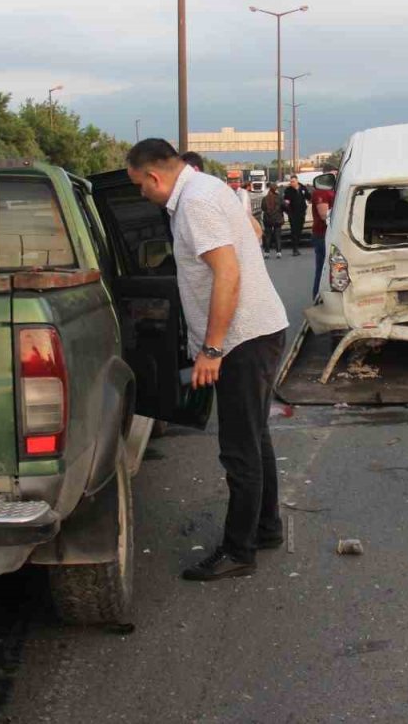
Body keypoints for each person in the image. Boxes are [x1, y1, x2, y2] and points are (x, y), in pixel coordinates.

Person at [125, 139, 289, 580]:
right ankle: (266, 527)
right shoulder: (205, 191)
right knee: (255, 437)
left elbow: (228, 273)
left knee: (239, 448)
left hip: (242, 340)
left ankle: (239, 551)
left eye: (139, 186)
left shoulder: (196, 202)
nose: (141, 195)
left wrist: (212, 349)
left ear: (155, 176)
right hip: (257, 332)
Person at [310, 168, 337, 298]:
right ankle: (317, 296)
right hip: (322, 234)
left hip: (330, 233)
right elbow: (323, 215)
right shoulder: (321, 192)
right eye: (332, 175)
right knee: (322, 268)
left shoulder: (332, 191)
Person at [282, 175, 309, 255]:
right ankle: (295, 249)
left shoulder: (303, 188)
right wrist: (288, 210)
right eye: (291, 182)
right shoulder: (288, 190)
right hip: (293, 214)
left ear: (297, 181)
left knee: (299, 230)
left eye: (293, 181)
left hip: (301, 213)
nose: (292, 183)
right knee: (294, 231)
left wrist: (308, 195)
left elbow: (308, 196)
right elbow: (286, 201)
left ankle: (297, 245)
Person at [261, 184, 284, 259]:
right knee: (277, 236)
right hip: (277, 219)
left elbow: (263, 208)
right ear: (275, 190)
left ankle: (267, 252)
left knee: (268, 236)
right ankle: (278, 252)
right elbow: (283, 206)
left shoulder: (265, 198)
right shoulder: (279, 198)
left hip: (267, 219)